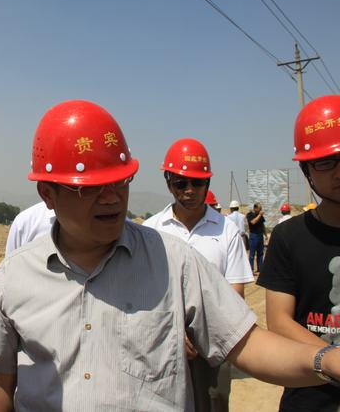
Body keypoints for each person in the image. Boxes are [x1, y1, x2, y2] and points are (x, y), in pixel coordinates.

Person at [0, 100, 340, 412]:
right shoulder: (14, 278)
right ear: (48, 193)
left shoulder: (174, 262)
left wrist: (324, 360)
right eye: (90, 188)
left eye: (119, 181)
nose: (112, 198)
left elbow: (247, 344)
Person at [143, 138, 254, 412]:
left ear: (207, 183)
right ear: (169, 183)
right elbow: (142, 293)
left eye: (197, 183)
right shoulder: (152, 230)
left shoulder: (226, 231)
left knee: (213, 404)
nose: (189, 190)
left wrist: (202, 335)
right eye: (181, 183)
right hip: (161, 344)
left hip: (213, 347)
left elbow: (235, 293)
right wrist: (174, 333)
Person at [258, 95, 340, 411]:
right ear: (306, 169)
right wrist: (331, 360)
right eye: (325, 162)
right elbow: (279, 321)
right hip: (309, 394)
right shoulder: (289, 237)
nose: (338, 172)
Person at [246, 202, 266, 273]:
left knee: (260, 254)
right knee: (252, 254)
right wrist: (259, 215)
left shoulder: (260, 216)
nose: (260, 210)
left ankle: (260, 269)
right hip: (253, 235)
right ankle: (251, 270)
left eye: (261, 209)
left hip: (260, 235)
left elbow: (262, 225)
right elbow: (253, 222)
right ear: (255, 208)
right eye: (259, 209)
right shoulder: (250, 214)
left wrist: (265, 234)